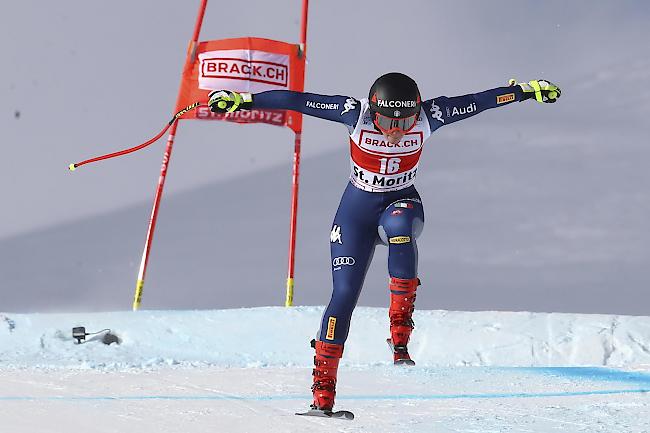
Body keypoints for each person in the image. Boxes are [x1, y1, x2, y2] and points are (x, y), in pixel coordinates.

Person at [208, 73, 561, 413]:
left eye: (406, 123)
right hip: (355, 213)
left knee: (399, 224)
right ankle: (323, 393)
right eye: (389, 122)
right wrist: (242, 100)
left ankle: (399, 333)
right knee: (343, 295)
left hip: (400, 202)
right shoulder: (353, 112)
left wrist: (526, 91)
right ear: (373, 111)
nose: (396, 132)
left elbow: (478, 102)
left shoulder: (429, 116)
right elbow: (295, 100)